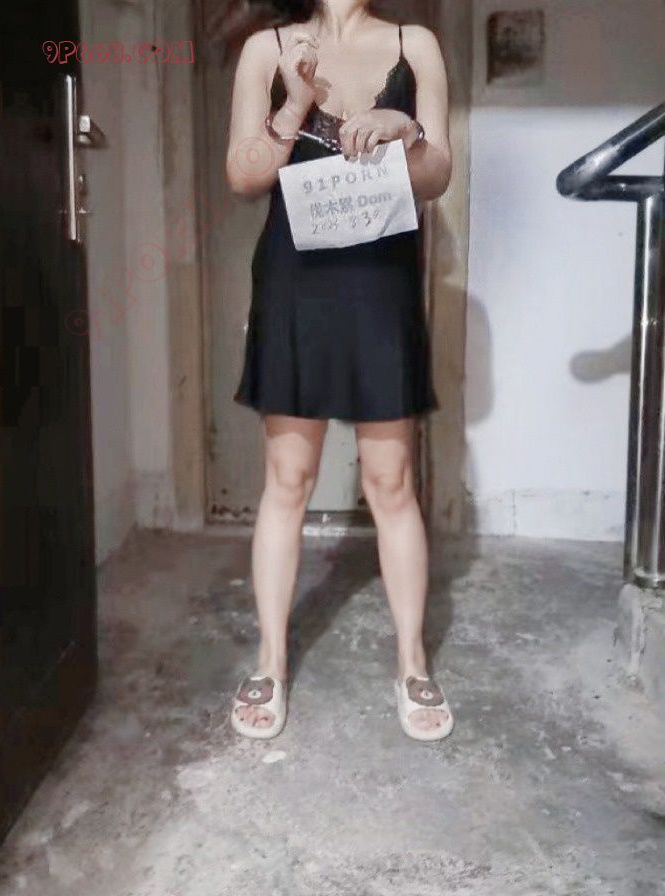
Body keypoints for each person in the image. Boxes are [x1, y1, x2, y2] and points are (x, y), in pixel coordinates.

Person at [224, 0, 453, 741]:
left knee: (391, 481)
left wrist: (407, 130)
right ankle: (269, 662)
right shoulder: (267, 49)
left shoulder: (415, 44)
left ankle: (412, 663)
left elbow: (436, 176)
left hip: (381, 283)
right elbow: (243, 176)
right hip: (296, 283)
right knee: (288, 480)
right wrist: (294, 103)